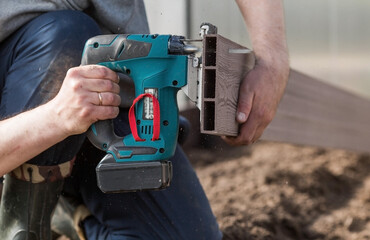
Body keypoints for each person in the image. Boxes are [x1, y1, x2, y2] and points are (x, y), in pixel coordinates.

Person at [0, 0, 289, 239]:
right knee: (64, 37)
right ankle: (20, 226)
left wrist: (273, 62)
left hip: (99, 104)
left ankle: (70, 214)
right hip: (20, 130)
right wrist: (54, 119)